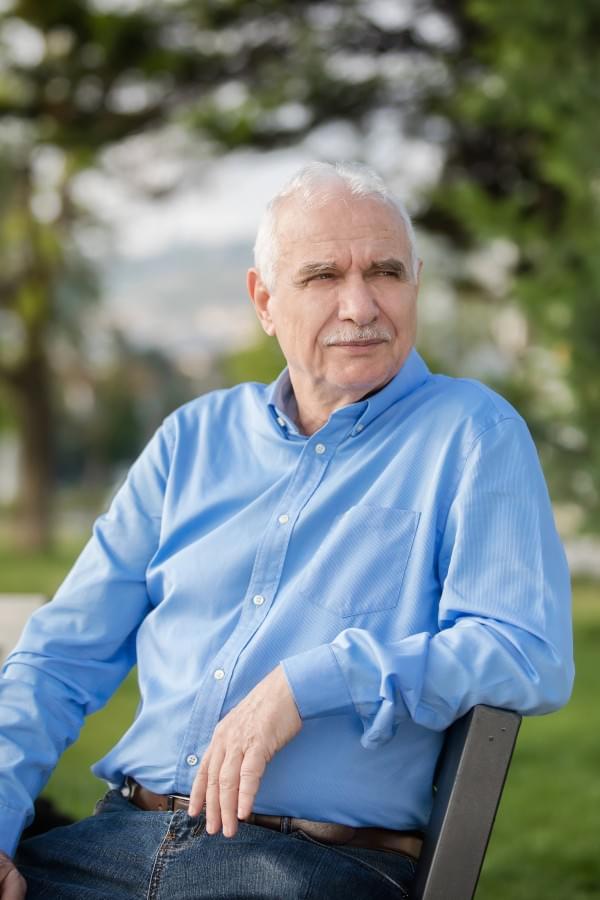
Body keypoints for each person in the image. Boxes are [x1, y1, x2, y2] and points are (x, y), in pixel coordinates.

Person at [0, 161, 573, 899]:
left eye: (386, 272)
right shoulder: (190, 440)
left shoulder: (472, 434)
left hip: (308, 865)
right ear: (265, 301)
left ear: (416, 283)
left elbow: (526, 651)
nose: (360, 305)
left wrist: (310, 683)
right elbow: (57, 660)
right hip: (112, 842)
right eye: (323, 276)